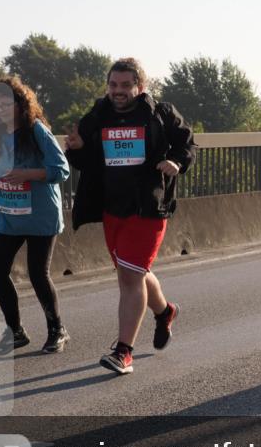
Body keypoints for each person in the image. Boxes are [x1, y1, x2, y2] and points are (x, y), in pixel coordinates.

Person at [65, 57, 196, 375]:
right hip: (112, 207)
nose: (118, 91)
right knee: (133, 272)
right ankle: (164, 311)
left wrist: (176, 162)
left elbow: (187, 143)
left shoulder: (160, 113)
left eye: (125, 85)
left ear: (140, 86)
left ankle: (123, 352)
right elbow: (87, 160)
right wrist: (77, 148)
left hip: (148, 206)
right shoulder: (99, 114)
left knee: (129, 277)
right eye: (113, 85)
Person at [0, 76, 70, 355]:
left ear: (21, 105)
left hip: (40, 216)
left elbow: (61, 170)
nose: (1, 109)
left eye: (6, 103)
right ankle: (16, 331)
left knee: (38, 274)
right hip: (8, 215)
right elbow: (2, 170)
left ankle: (57, 329)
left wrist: (27, 174)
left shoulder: (36, 131)